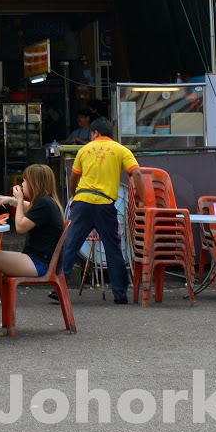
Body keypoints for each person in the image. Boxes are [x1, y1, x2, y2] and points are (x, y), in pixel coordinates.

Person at [55, 117, 137, 305]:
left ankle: (59, 287)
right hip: (105, 205)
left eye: (91, 134)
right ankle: (119, 294)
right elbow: (136, 172)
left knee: (71, 244)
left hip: (82, 202)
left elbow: (73, 178)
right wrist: (139, 195)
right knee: (113, 247)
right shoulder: (121, 150)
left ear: (96, 133)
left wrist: (75, 195)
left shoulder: (84, 150)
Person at [0, 163, 65, 328]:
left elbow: (20, 227)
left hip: (40, 263)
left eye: (25, 181)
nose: (21, 185)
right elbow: (29, 208)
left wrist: (17, 199)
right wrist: (11, 200)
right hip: (39, 259)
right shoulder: (47, 202)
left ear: (34, 183)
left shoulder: (44, 204)